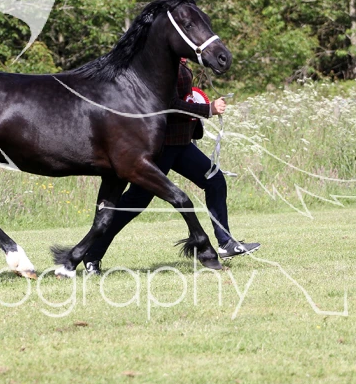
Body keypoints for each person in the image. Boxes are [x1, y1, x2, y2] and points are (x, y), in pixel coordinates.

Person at [82, 58, 260, 274]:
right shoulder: (163, 62)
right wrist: (207, 109)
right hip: (162, 148)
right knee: (134, 203)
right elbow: (169, 103)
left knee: (215, 180)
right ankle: (92, 254)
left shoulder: (179, 59)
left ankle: (225, 242)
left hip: (182, 145)